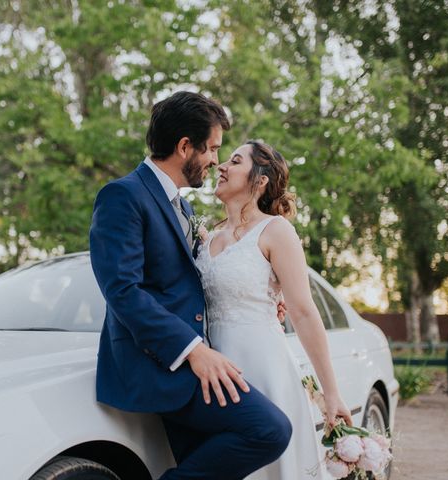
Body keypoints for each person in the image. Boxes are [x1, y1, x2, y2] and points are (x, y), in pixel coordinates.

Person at [89, 92, 292, 480]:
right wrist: (194, 351)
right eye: (213, 149)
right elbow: (123, 291)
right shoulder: (123, 196)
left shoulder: (182, 207)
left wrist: (265, 295)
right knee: (270, 430)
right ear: (185, 146)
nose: (216, 160)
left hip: (195, 363)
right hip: (160, 364)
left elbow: (192, 279)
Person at [195, 140, 354, 479]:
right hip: (212, 370)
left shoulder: (276, 231)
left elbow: (304, 312)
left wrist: (331, 393)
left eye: (235, 161)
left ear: (260, 180)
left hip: (264, 368)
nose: (221, 166)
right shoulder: (206, 236)